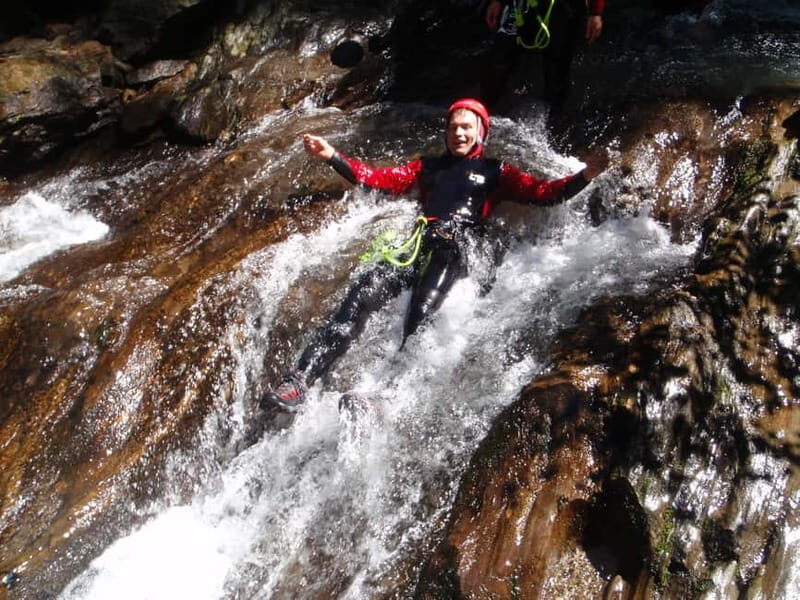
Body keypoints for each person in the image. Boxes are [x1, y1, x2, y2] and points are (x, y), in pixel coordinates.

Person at [263, 98, 605, 411]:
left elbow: (543, 194)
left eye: (466, 127)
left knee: (421, 308)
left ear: (480, 133)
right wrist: (332, 157)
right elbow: (378, 180)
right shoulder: (427, 167)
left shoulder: (495, 172)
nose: (459, 133)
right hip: (417, 241)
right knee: (359, 296)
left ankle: (389, 393)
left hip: (455, 246)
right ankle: (300, 380)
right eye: (454, 127)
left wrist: (585, 175)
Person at [481, 0, 606, 111]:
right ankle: (480, 113)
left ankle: (553, 123)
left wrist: (595, 12)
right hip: (519, 5)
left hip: (563, 7)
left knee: (557, 70)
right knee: (500, 60)